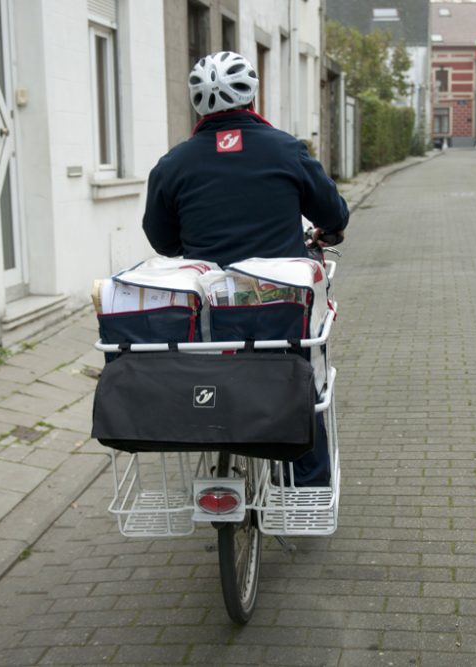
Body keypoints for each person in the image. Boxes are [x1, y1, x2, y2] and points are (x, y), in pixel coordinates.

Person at [142, 50, 349, 486]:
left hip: (211, 309)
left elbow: (162, 240)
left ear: (198, 105)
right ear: (253, 96)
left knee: (210, 366)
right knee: (302, 376)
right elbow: (333, 212)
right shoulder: (287, 150)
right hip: (279, 309)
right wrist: (326, 233)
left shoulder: (173, 164)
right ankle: (306, 485)